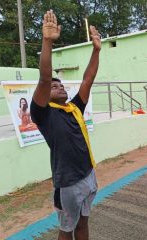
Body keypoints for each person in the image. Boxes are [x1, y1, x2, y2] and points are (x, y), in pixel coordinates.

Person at [30, 10, 101, 240]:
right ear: (45, 95)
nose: (59, 87)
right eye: (53, 87)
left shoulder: (74, 107)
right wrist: (47, 42)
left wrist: (96, 50)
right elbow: (43, 78)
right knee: (67, 229)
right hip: (68, 184)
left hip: (88, 175)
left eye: (60, 85)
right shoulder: (44, 114)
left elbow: (88, 79)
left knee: (83, 223)